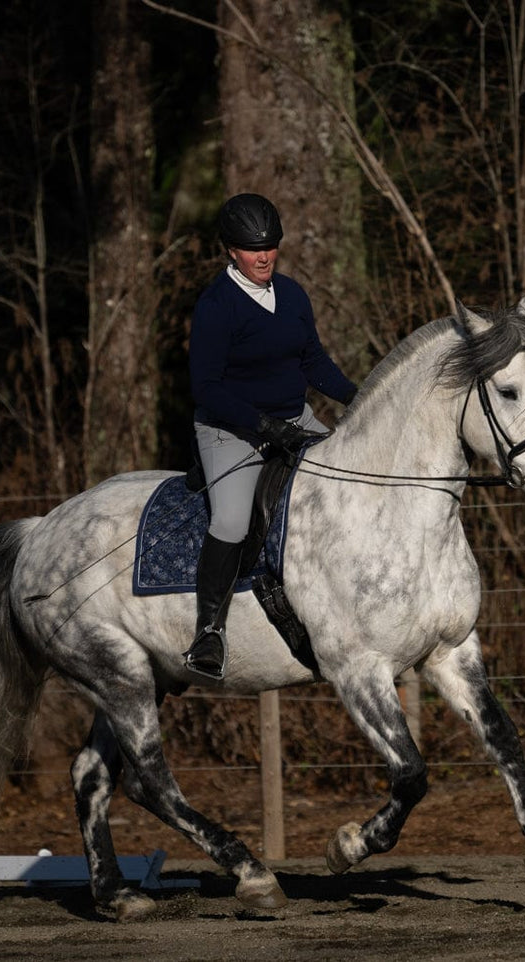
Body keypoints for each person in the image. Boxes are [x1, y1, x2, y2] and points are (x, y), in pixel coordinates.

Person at [181, 193, 358, 680]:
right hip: (230, 430)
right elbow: (206, 387)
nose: (263, 257)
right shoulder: (217, 306)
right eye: (251, 249)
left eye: (271, 247)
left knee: (350, 478)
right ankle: (209, 632)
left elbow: (313, 363)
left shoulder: (294, 295)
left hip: (293, 418)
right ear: (230, 251)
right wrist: (262, 427)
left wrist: (358, 398)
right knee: (233, 522)